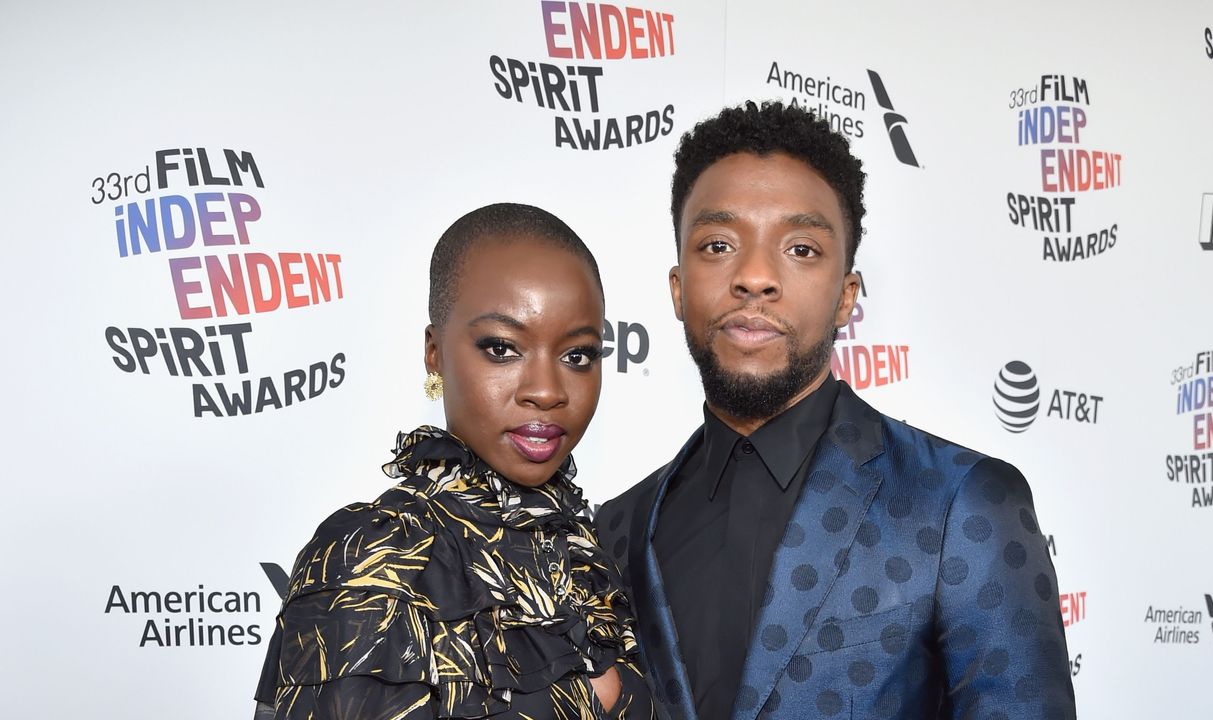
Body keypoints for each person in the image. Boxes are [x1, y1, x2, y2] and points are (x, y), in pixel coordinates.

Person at [596, 102, 1077, 720]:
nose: (755, 276)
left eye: (800, 248)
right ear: (678, 287)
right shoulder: (617, 529)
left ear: (847, 297)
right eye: (718, 244)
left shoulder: (964, 502)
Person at [255, 203, 654, 720]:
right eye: (503, 348)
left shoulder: (591, 549)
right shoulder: (376, 557)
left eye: (577, 355)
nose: (546, 391)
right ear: (435, 351)